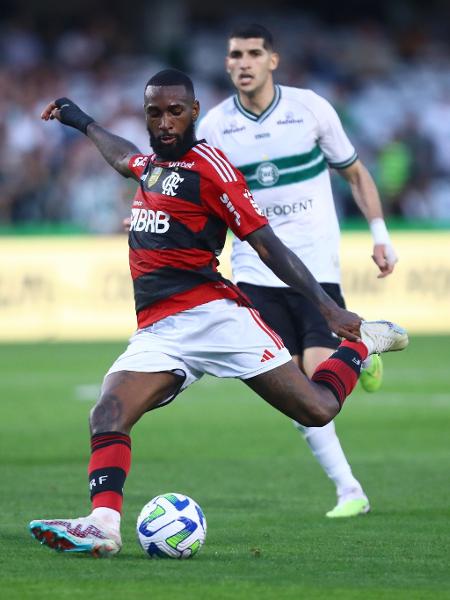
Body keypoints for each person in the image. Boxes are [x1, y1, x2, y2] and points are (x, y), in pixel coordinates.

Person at [29, 69, 408, 558]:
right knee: (108, 413)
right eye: (154, 113)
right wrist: (78, 119)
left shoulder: (211, 167)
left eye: (174, 112)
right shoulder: (152, 166)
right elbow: (123, 156)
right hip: (159, 330)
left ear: (193, 113)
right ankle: (103, 525)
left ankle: (361, 344)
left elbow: (266, 243)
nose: (164, 122)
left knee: (317, 409)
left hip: (214, 317)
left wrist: (328, 309)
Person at [196, 24, 399, 518]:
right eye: (234, 55)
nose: (242, 62)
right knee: (298, 394)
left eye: (252, 53)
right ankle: (350, 489)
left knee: (313, 377)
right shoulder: (216, 126)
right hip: (253, 271)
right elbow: (192, 191)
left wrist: (380, 234)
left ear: (273, 61)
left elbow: (354, 171)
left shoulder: (310, 109)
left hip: (314, 270)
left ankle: (358, 350)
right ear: (227, 64)